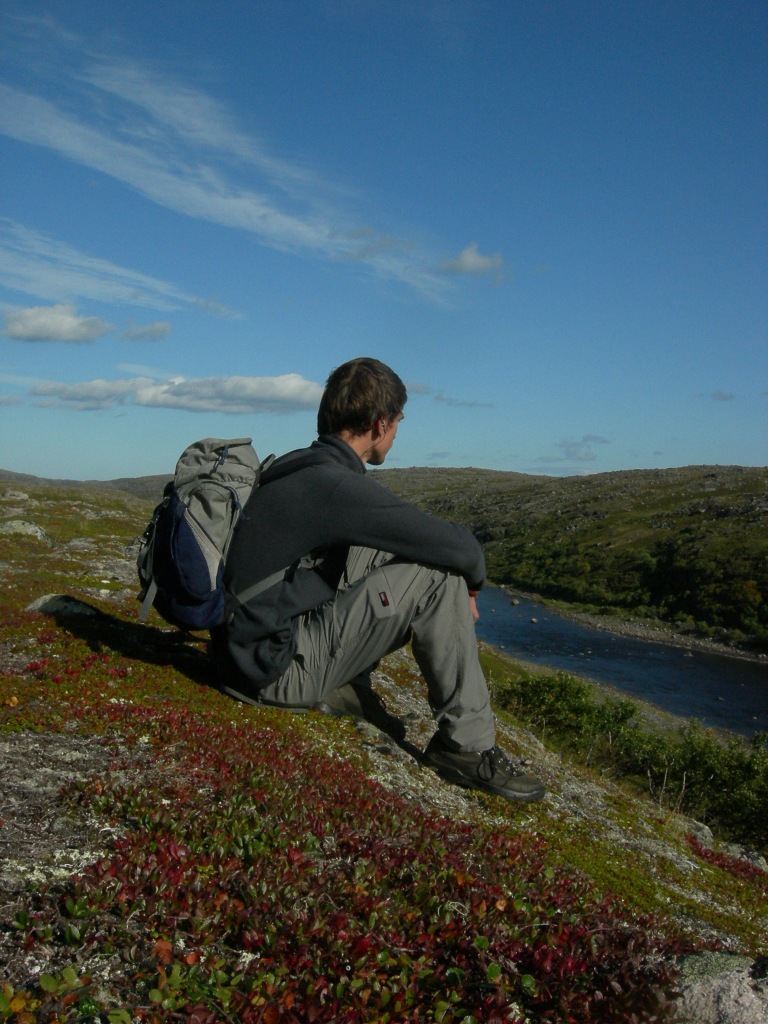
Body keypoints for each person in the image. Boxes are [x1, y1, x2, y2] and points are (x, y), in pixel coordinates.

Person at [213, 357, 545, 803]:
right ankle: (466, 748)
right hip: (271, 673)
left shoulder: (299, 466)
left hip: (241, 654)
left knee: (385, 549)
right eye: (399, 422)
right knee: (438, 576)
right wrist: (468, 584)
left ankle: (349, 685)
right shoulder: (336, 488)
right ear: (379, 425)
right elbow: (461, 548)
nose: (397, 432)